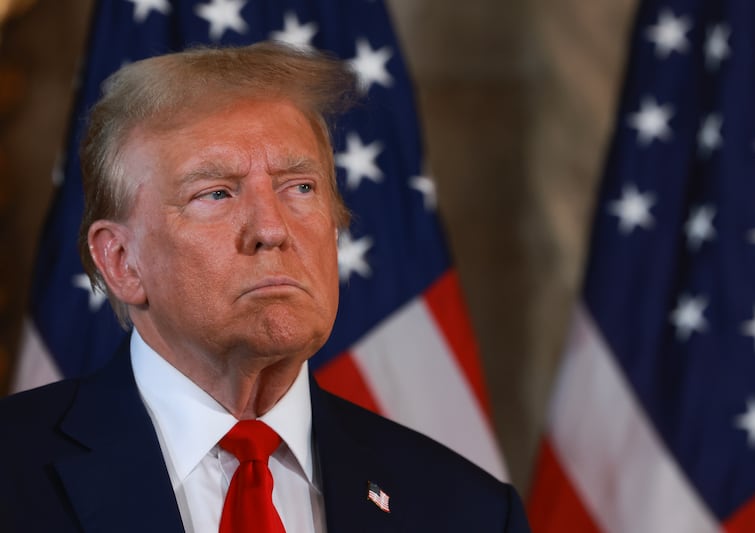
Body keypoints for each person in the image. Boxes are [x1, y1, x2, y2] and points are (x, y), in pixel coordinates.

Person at [0, 42, 530, 533]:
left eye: (299, 187)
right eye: (215, 193)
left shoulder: (466, 510)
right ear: (121, 261)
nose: (272, 229)